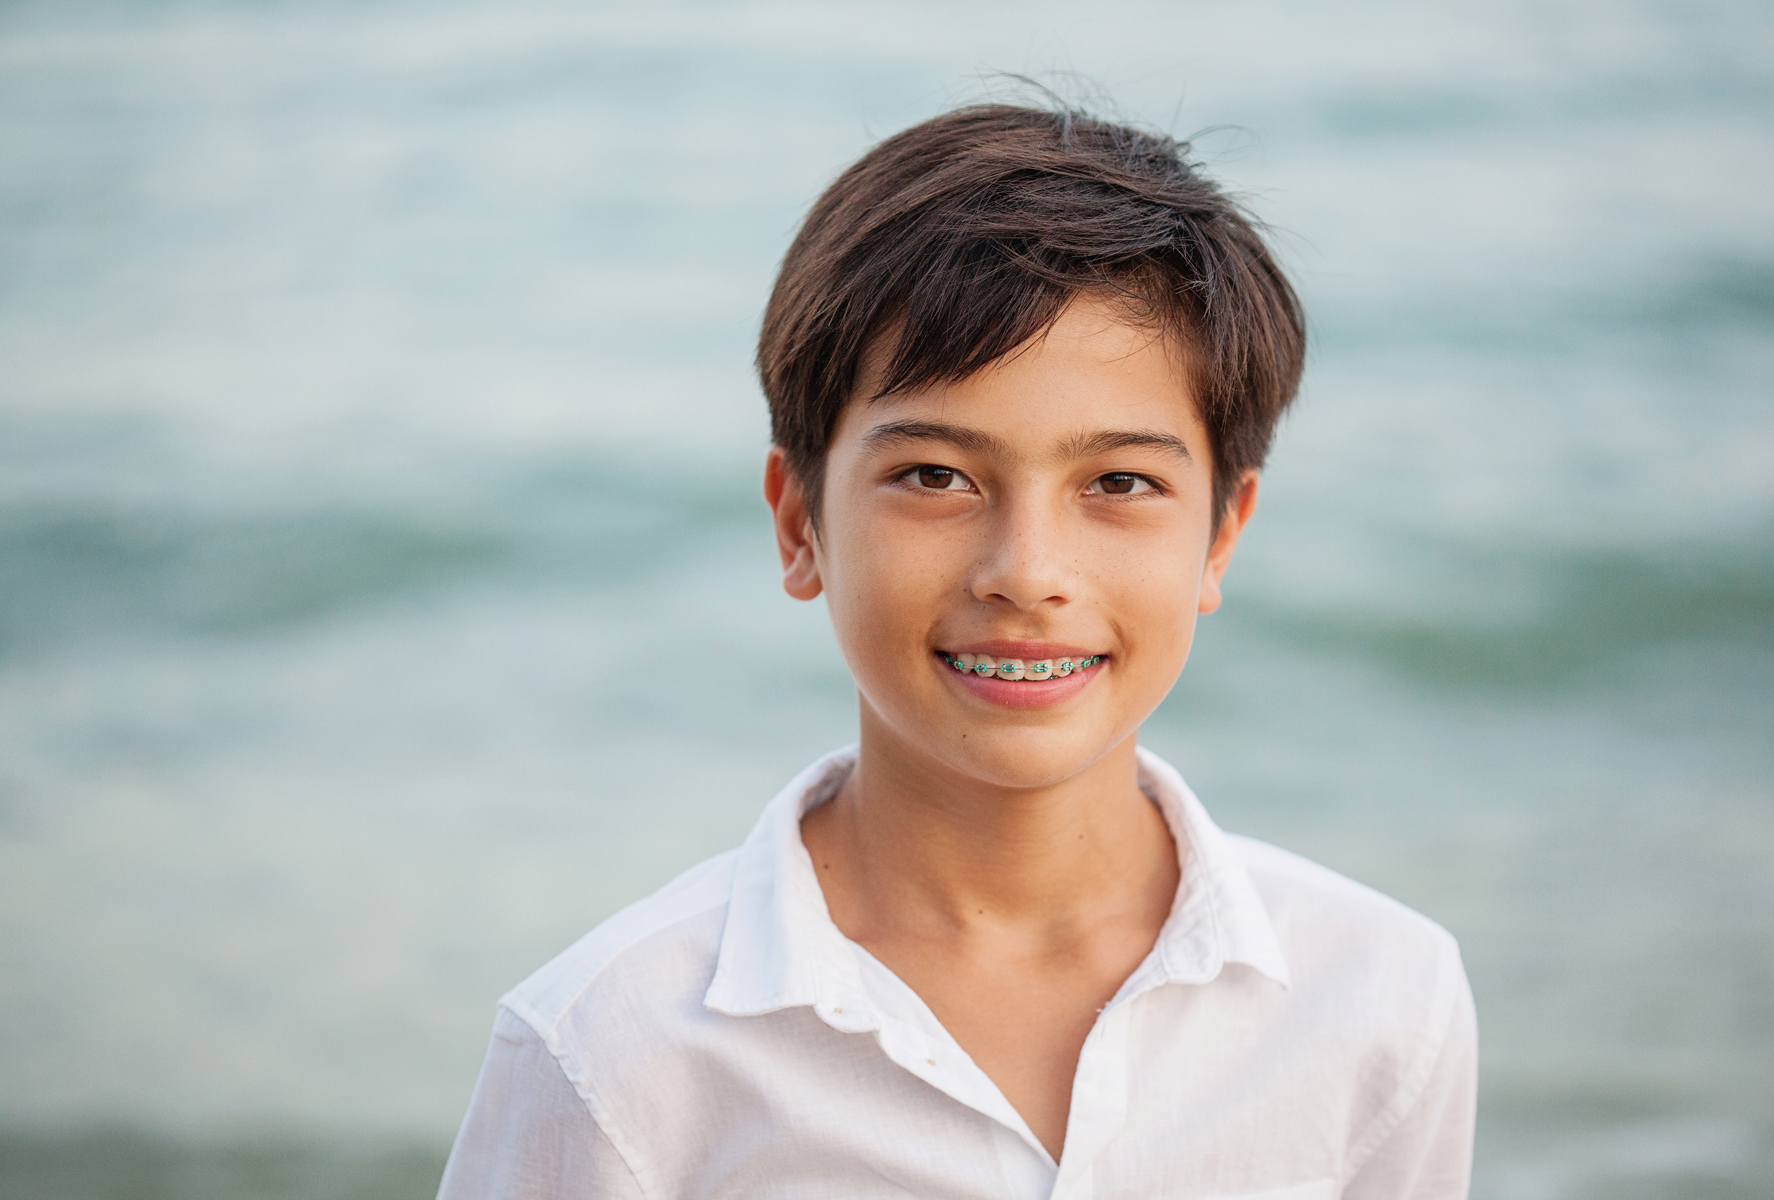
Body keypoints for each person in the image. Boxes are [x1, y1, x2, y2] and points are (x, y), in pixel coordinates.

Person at [437, 102, 1477, 1200]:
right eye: (935, 475)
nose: (1026, 571)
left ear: (1222, 532)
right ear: (800, 524)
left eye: (1119, 483)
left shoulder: (1377, 999)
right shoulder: (612, 1051)